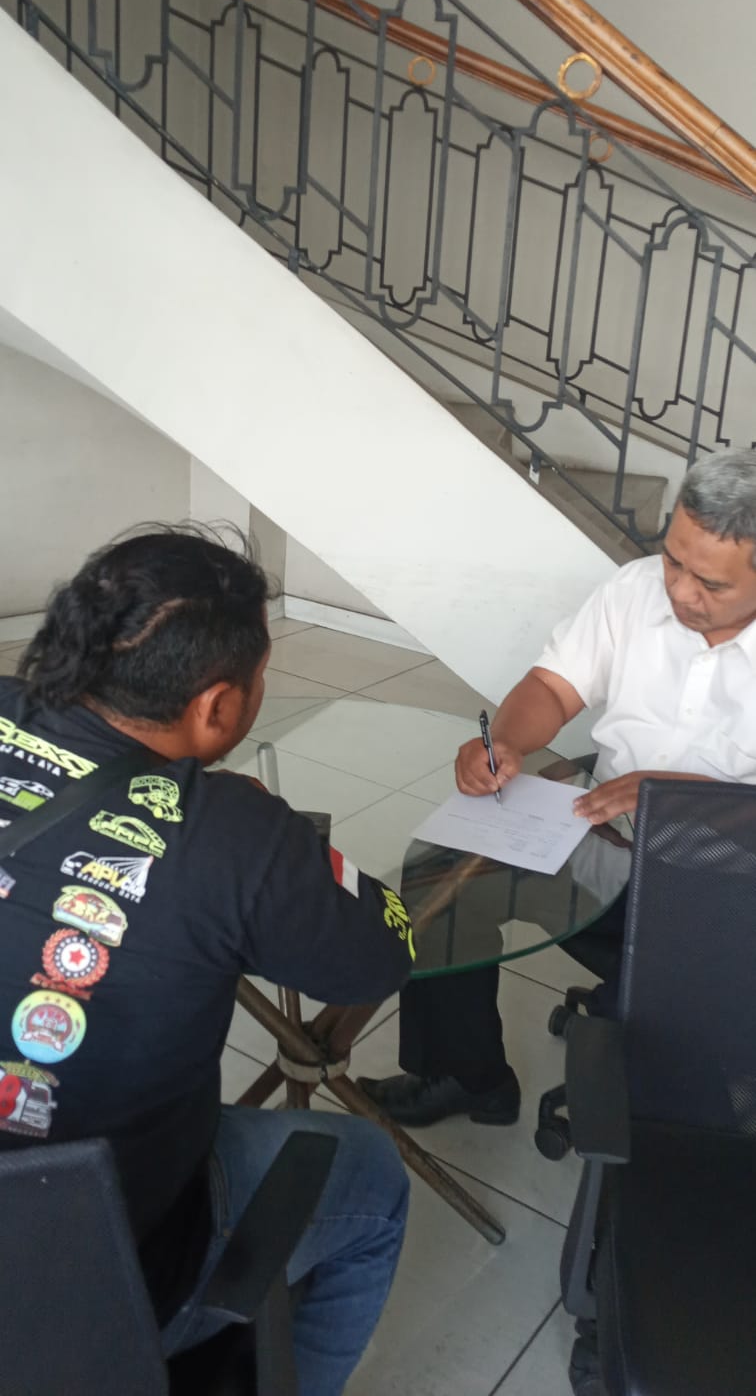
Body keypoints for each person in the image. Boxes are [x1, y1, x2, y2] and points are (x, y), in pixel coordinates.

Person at [0, 526, 414, 1396]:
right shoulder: (230, 830)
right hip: (87, 1286)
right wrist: (287, 837)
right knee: (372, 1175)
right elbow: (379, 958)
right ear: (217, 706)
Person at [359, 447, 756, 1130]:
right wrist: (506, 743)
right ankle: (467, 1075)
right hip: (606, 837)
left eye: (711, 584)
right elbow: (552, 685)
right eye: (673, 561)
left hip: (727, 886)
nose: (680, 592)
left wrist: (673, 793)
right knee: (436, 878)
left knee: (674, 1050)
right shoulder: (635, 591)